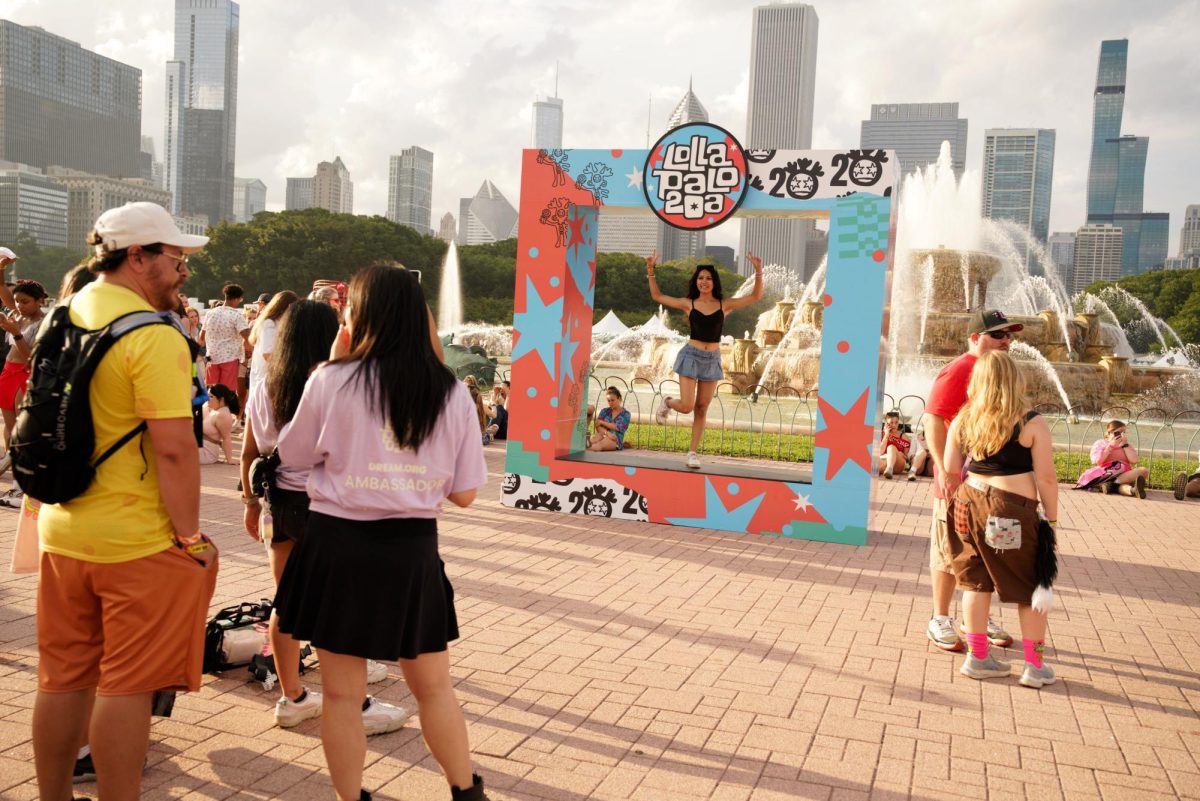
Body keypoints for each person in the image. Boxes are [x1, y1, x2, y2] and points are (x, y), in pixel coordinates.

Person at [275, 263, 491, 801]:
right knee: (435, 689)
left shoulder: (331, 379)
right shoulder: (451, 391)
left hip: (336, 546)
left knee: (343, 697)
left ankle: (352, 799)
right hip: (410, 550)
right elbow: (465, 493)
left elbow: (293, 456)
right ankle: (465, 792)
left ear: (359, 315)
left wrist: (333, 370)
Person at [32, 201, 217, 800]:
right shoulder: (152, 335)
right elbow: (173, 450)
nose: (183, 269)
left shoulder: (65, 313)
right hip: (134, 542)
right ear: (137, 257)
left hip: (61, 530)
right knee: (126, 685)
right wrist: (190, 538)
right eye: (175, 257)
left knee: (62, 679)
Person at [239, 300, 404, 733]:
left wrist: (250, 504)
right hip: (325, 507)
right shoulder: (335, 389)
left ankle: (292, 697)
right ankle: (354, 705)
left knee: (288, 603)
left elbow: (249, 453)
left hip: (278, 506)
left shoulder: (262, 388)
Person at [944, 351, 1059, 689]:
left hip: (967, 505)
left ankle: (978, 658)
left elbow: (951, 469)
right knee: (1029, 586)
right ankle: (1035, 666)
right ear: (1015, 380)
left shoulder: (964, 419)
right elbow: (1047, 478)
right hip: (1009, 512)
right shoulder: (1030, 422)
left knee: (976, 582)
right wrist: (1051, 520)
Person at [921, 309, 1021, 653]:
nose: (1006, 341)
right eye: (998, 335)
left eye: (1008, 335)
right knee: (948, 551)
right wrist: (944, 470)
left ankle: (974, 617)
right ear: (976, 338)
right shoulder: (961, 368)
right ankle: (940, 618)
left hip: (987, 483)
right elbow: (933, 419)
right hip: (957, 479)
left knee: (982, 550)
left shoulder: (995, 372)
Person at [650, 253, 763, 469]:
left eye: (708, 278)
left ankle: (692, 453)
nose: (704, 281)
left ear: (714, 282)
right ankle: (667, 402)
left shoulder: (724, 304)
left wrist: (758, 270)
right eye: (700, 278)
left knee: (701, 408)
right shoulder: (688, 303)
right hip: (691, 355)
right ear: (696, 282)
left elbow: (756, 296)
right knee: (686, 406)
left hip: (712, 359)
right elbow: (657, 296)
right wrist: (650, 270)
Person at [0, 266, 48, 505]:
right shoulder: (18, 315)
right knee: (8, 429)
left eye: (25, 301)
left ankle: (22, 486)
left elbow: (32, 357)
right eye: (17, 301)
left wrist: (16, 334)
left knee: (22, 430)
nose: (19, 305)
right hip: (7, 373)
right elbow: (3, 291)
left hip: (25, 374)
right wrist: (0, 269)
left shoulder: (42, 322)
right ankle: (16, 481)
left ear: (41, 301)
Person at [1075, 420, 1148, 498]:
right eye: (1119, 432)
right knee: (1122, 485)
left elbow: (1134, 461)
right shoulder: (1101, 443)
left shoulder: (1127, 445)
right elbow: (1099, 461)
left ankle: (1116, 486)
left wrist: (1125, 445)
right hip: (1107, 473)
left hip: (1124, 475)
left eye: (1124, 432)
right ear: (1110, 433)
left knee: (1144, 471)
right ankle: (1127, 488)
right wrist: (1110, 446)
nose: (1121, 435)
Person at [199, 282, 249, 392]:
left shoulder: (210, 313)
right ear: (236, 299)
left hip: (212, 358)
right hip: (229, 358)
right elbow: (247, 336)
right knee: (226, 393)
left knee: (211, 392)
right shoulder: (236, 315)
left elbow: (201, 337)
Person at [249, 290, 298, 392]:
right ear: (287, 306)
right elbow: (268, 354)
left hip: (270, 378)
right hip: (265, 379)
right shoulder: (269, 324)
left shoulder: (278, 323)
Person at [199, 383, 238, 464]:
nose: (207, 398)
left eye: (211, 397)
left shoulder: (223, 414)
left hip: (207, 451)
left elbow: (226, 438)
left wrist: (230, 459)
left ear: (222, 399)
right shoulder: (207, 406)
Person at [587, 387, 631, 452]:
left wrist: (602, 422)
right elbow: (597, 425)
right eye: (608, 400)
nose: (610, 403)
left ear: (619, 399)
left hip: (615, 439)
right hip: (602, 434)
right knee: (590, 441)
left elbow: (617, 427)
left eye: (612, 400)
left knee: (598, 445)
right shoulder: (604, 411)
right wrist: (607, 433)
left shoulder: (626, 414)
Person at [877, 411, 911, 479]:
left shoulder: (904, 437)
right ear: (886, 423)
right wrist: (886, 435)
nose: (894, 425)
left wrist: (901, 454)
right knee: (876, 465)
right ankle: (886, 471)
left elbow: (906, 458)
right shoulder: (880, 434)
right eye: (891, 423)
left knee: (891, 447)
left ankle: (890, 468)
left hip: (899, 463)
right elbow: (880, 452)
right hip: (884, 459)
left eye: (896, 422)